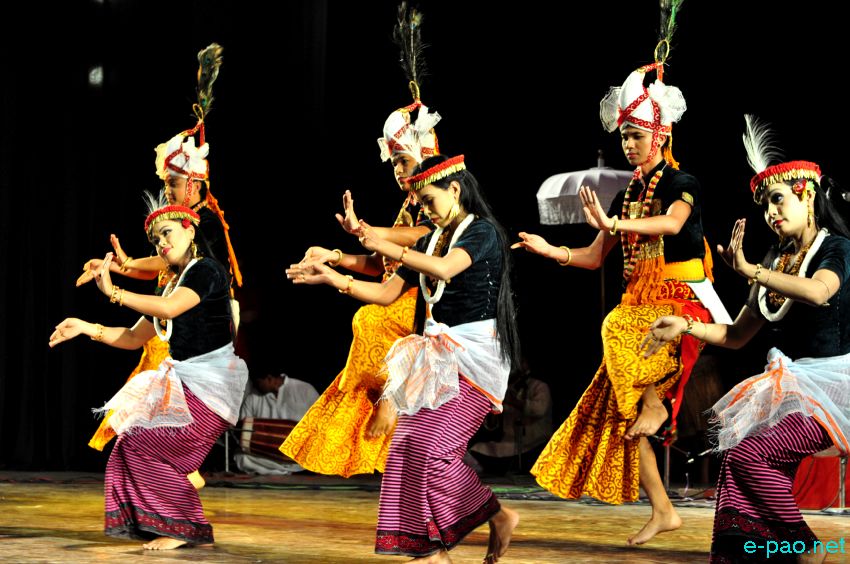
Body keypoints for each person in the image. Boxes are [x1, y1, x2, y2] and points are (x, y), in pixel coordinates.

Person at [515, 63, 727, 545]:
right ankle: (663, 509)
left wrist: (616, 227)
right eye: (624, 137)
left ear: (659, 134)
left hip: (681, 304)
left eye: (636, 135)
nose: (628, 144)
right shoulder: (630, 191)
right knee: (620, 417)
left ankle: (652, 401)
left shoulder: (680, 181)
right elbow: (594, 256)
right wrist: (552, 251)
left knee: (615, 324)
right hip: (642, 307)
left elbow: (673, 225)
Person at [287, 154, 521, 563]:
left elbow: (446, 270)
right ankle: (430, 550)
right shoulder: (432, 239)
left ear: (455, 189)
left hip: (474, 359)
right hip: (434, 358)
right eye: (421, 203)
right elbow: (384, 293)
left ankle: (492, 516)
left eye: (429, 200)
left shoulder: (481, 232)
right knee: (405, 447)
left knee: (431, 447)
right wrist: (333, 279)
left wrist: (384, 243)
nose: (426, 210)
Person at [643, 115, 850, 563]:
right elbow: (736, 335)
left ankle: (808, 549)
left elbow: (819, 291)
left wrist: (752, 270)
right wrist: (687, 326)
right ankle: (742, 556)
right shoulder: (778, 259)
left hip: (834, 387)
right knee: (737, 466)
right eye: (764, 206)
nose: (770, 213)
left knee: (750, 456)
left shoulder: (834, 249)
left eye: (777, 201)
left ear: (807, 194)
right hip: (791, 388)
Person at [279, 10, 439, 477]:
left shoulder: (440, 199)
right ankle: (386, 418)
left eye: (404, 162)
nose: (398, 172)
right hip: (403, 299)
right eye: (393, 164)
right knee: (365, 325)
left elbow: (423, 240)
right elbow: (380, 264)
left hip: (433, 310)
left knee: (370, 319)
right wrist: (337, 257)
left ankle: (393, 400)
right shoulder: (406, 205)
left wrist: (365, 234)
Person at [49, 196, 247, 550]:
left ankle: (185, 528)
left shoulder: (207, 271)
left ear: (190, 230)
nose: (162, 243)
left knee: (143, 445)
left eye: (167, 233)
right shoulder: (168, 284)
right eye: (156, 239)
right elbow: (132, 337)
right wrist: (85, 326)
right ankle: (159, 523)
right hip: (188, 383)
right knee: (128, 444)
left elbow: (170, 309)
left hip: (212, 386)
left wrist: (114, 292)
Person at [467, 358, 553, 475]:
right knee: (476, 450)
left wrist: (516, 402)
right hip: (510, 442)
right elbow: (494, 422)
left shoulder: (540, 387)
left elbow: (539, 410)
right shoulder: (509, 388)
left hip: (534, 442)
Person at [234, 363, 319, 475]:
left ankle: (280, 471)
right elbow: (244, 430)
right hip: (265, 457)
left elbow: (321, 424)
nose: (254, 385)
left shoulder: (305, 390)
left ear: (269, 379)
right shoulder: (252, 398)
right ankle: (284, 472)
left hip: (297, 457)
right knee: (242, 458)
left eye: (257, 382)